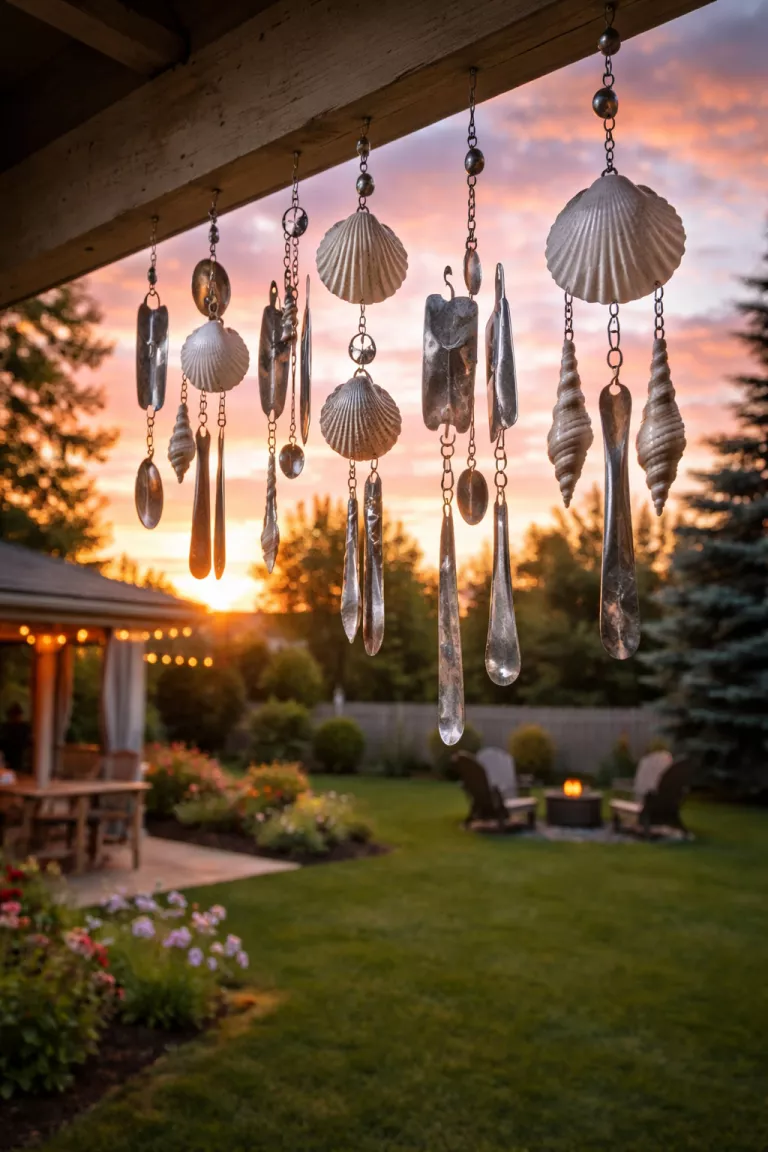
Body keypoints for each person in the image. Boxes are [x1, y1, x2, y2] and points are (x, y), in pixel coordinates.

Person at [0, 703, 31, 775]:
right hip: (7, 752)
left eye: (17, 715)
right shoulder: (6, 727)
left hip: (20, 752)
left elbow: (27, 740)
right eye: (13, 715)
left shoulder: (24, 727)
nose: (15, 717)